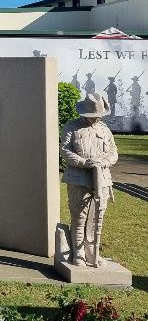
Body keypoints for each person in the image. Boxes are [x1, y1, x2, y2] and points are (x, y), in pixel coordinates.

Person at [60, 92, 118, 267]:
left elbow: (114, 151)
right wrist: (85, 162)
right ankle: (78, 253)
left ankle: (93, 252)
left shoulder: (104, 129)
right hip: (79, 179)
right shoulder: (71, 127)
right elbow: (65, 150)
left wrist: (104, 162)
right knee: (80, 216)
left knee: (97, 218)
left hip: (103, 179)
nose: (96, 118)